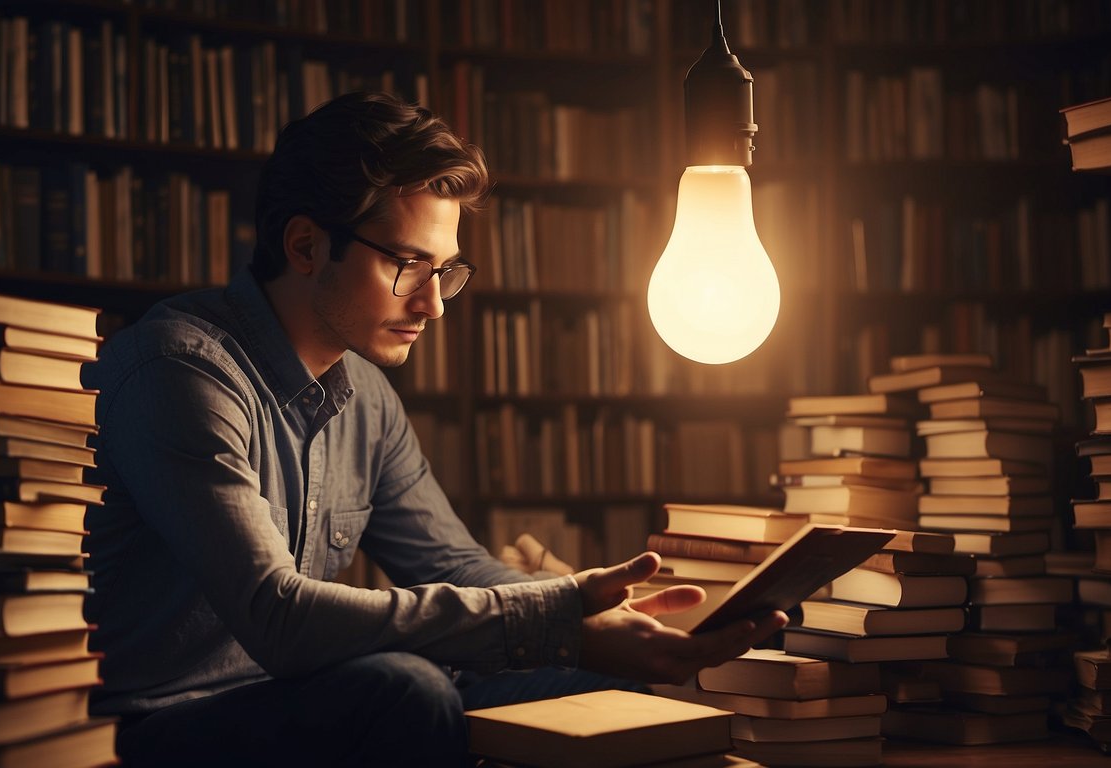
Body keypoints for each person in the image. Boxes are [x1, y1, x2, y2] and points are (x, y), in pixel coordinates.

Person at [81, 91, 786, 767]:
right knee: (406, 691)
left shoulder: (367, 398)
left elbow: (452, 567)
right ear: (304, 246)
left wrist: (598, 628)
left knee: (608, 697)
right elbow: (279, 620)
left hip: (304, 695)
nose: (432, 306)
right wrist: (554, 615)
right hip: (164, 720)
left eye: (444, 271)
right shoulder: (179, 371)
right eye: (406, 263)